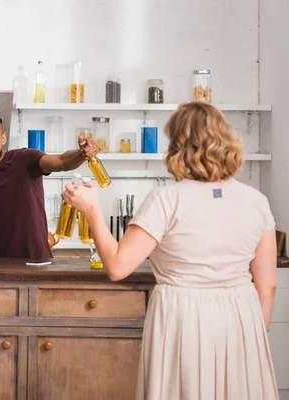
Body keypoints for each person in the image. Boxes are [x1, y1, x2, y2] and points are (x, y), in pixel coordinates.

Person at [63, 101, 278, 400]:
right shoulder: (256, 201)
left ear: (178, 146)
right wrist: (253, 333)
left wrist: (92, 209)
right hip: (241, 317)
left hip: (183, 317)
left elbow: (117, 266)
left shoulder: (166, 200)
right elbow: (267, 284)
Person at [0, 107, 98, 258]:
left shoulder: (24, 159)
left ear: (3, 138)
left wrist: (81, 154)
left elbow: (62, 161)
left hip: (37, 266)